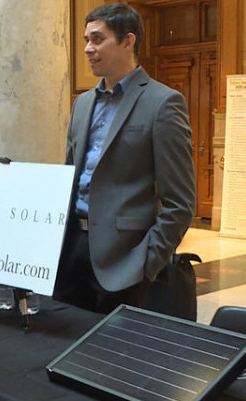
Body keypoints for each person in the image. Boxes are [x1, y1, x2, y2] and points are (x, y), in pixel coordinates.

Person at [53, 3, 196, 315]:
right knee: (60, 349)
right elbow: (68, 176)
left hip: (125, 260)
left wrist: (146, 263)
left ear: (128, 41)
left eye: (97, 39)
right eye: (86, 40)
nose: (88, 49)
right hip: (71, 250)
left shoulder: (163, 103)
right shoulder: (82, 104)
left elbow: (180, 202)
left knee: (111, 357)